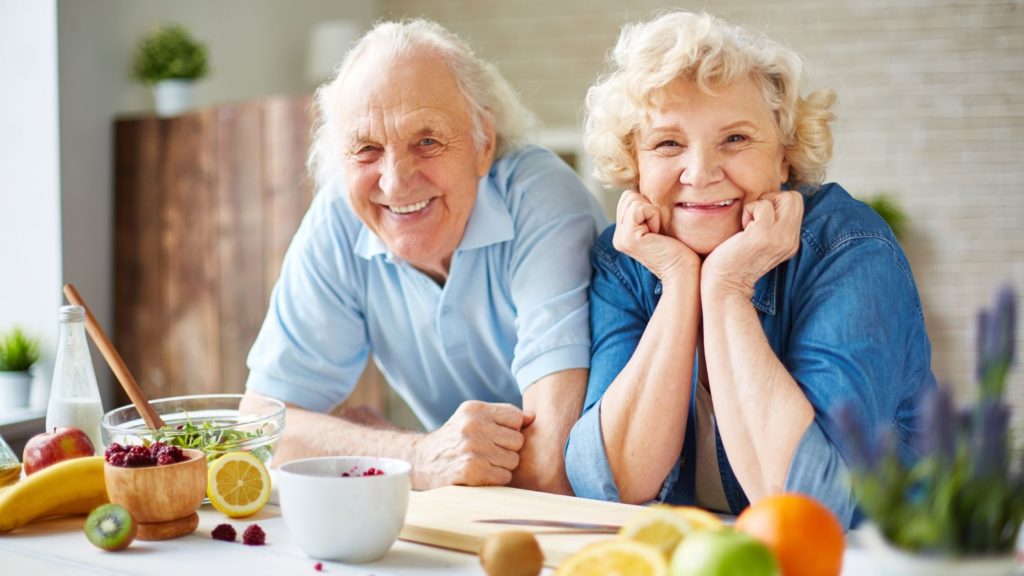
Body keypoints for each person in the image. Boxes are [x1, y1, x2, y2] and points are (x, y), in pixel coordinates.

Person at [565, 10, 935, 527]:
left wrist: (726, 286)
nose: (700, 173)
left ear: (784, 157)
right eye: (668, 143)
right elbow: (609, 481)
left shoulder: (850, 248)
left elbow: (811, 503)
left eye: (735, 139)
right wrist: (678, 283)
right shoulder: (628, 257)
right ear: (635, 163)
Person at [245, 19, 607, 494]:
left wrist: (384, 443)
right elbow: (261, 430)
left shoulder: (540, 199)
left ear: (483, 144)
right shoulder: (340, 215)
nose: (395, 183)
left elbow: (551, 466)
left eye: (427, 141)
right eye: (367, 149)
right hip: (470, 521)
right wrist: (417, 456)